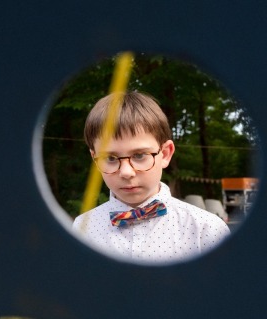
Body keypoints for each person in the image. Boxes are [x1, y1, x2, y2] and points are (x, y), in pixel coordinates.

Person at [73, 91, 230, 264]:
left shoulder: (207, 230)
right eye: (110, 158)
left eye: (139, 155)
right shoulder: (81, 229)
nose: (126, 172)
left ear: (165, 154)